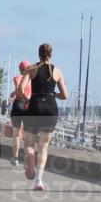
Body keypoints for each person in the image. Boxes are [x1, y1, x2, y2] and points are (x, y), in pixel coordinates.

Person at [18, 44, 68, 190]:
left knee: (29, 143)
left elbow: (21, 88)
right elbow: (65, 95)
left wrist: (26, 99)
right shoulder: (57, 71)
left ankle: (30, 165)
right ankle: (39, 181)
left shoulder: (32, 69)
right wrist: (54, 95)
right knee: (44, 146)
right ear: (51, 55)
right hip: (51, 108)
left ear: (38, 54)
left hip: (35, 106)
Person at [8, 60, 32, 167]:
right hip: (28, 106)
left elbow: (19, 89)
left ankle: (15, 158)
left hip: (18, 105)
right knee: (27, 135)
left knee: (16, 134)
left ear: (20, 69)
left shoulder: (16, 78)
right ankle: (27, 161)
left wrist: (13, 93)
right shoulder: (33, 80)